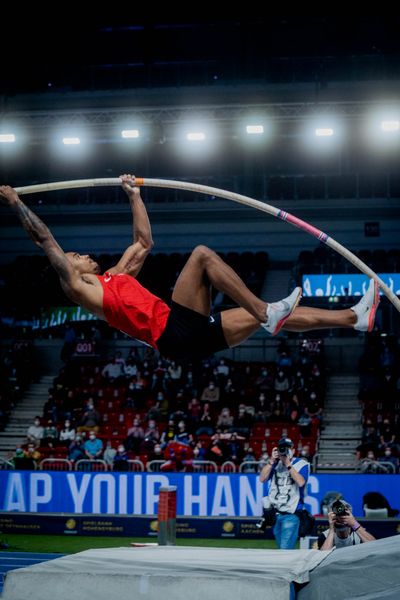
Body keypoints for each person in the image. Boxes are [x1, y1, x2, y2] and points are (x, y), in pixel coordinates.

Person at [0, 177, 380, 361]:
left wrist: (135, 196)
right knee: (201, 255)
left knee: (273, 315)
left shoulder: (114, 276)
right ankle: (265, 311)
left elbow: (144, 243)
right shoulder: (78, 288)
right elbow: (45, 239)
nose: (81, 254)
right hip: (173, 333)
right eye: (76, 255)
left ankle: (353, 318)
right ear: (68, 267)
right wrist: (16, 203)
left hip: (183, 333)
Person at [258, 437, 309, 549]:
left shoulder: (302, 464)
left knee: (284, 549)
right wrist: (271, 461)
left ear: (293, 450)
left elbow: (301, 482)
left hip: (292, 513)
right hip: (276, 514)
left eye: (287, 448)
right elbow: (262, 479)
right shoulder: (274, 464)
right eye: (282, 448)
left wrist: (288, 463)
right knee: (282, 548)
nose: (284, 450)